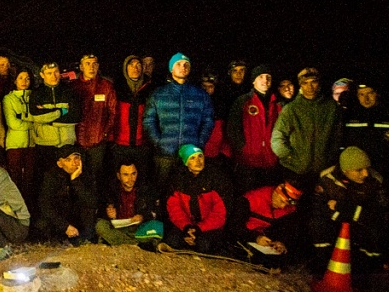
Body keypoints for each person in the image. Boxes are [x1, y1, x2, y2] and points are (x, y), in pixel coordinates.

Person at [310, 146, 388, 276]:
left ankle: (367, 270)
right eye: (359, 170)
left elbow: (379, 213)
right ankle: (323, 266)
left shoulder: (375, 181)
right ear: (345, 170)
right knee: (318, 225)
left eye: (367, 168)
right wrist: (340, 215)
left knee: (374, 231)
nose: (365, 173)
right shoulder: (327, 178)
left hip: (360, 224)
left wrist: (345, 209)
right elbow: (318, 208)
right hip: (335, 222)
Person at [142, 52, 215, 189]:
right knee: (162, 189)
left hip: (190, 155)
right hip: (165, 154)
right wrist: (158, 142)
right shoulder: (159, 94)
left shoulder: (200, 94)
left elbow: (208, 121)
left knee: (187, 191)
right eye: (178, 64)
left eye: (186, 64)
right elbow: (148, 120)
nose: (183, 67)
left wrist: (199, 142)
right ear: (171, 69)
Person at [270, 67, 342, 186]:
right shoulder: (291, 109)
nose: (310, 87)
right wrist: (289, 156)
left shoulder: (331, 107)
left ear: (319, 83)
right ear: (300, 85)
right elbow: (277, 137)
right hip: (295, 170)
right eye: (305, 83)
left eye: (313, 82)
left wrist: (330, 158)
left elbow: (337, 136)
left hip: (323, 170)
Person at [162, 145, 233, 253]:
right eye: (192, 158)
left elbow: (220, 213)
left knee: (204, 244)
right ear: (186, 162)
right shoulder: (178, 180)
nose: (198, 161)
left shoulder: (216, 179)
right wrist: (186, 227)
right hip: (187, 225)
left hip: (208, 227)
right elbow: (174, 209)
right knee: (172, 240)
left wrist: (199, 229)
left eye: (200, 156)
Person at [3, 68, 55, 209]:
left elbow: (41, 117)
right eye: (21, 78)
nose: (24, 81)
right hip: (15, 144)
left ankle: (28, 209)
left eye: (27, 78)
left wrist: (27, 119)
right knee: (15, 178)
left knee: (29, 179)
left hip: (32, 143)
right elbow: (13, 123)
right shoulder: (9, 99)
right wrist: (33, 122)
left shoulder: (34, 96)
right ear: (15, 80)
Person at [227, 64, 283, 192]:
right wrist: (243, 148)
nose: (265, 80)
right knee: (249, 196)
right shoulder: (243, 101)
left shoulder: (278, 103)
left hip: (271, 160)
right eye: (261, 77)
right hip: (248, 161)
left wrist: (278, 151)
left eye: (268, 77)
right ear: (253, 81)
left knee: (268, 195)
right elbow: (232, 128)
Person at [73, 53, 117, 196]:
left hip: (98, 143)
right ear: (81, 67)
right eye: (87, 64)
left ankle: (95, 206)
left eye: (94, 64)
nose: (91, 67)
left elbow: (113, 112)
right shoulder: (73, 87)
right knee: (77, 177)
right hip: (76, 142)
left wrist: (104, 133)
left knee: (96, 178)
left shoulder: (106, 86)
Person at [230, 180, 302, 267]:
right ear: (276, 191)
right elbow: (234, 226)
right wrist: (255, 237)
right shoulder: (252, 199)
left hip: (263, 242)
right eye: (282, 201)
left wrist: (280, 241)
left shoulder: (288, 209)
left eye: (286, 204)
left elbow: (286, 229)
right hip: (243, 238)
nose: (282, 206)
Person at [29, 61, 82, 176]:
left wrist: (49, 120)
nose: (54, 76)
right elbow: (36, 116)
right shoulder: (36, 93)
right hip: (45, 144)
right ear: (42, 75)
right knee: (47, 178)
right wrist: (62, 111)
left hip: (67, 143)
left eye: (56, 72)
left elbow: (76, 116)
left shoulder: (69, 91)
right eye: (49, 73)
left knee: (68, 178)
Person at [35, 146, 97, 244]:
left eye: (76, 158)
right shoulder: (51, 177)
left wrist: (75, 181)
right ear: (60, 164)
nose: (74, 163)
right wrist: (65, 226)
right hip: (60, 219)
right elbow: (45, 205)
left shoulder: (86, 174)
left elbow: (92, 202)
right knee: (43, 224)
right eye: (68, 160)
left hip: (76, 218)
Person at [95, 161, 157, 246]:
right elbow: (100, 211)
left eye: (133, 174)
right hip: (118, 228)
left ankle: (119, 241)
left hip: (136, 228)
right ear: (118, 176)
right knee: (100, 225)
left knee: (155, 227)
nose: (130, 179)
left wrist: (142, 216)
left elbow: (151, 211)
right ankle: (133, 244)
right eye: (126, 175)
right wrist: (109, 214)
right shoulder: (111, 189)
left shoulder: (144, 189)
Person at [111, 55, 153, 179]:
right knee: (119, 178)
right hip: (119, 144)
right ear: (125, 68)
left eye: (138, 65)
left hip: (141, 144)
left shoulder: (149, 88)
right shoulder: (116, 88)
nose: (135, 68)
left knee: (141, 178)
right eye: (131, 65)